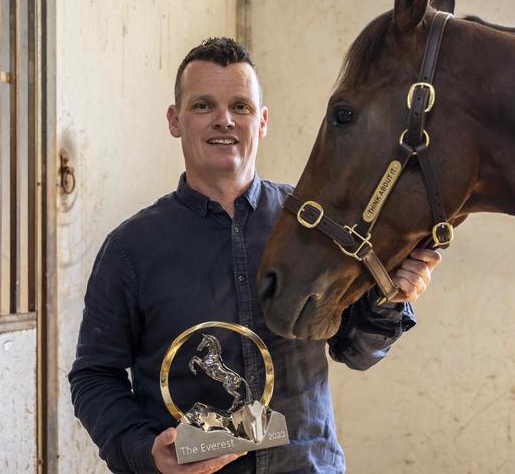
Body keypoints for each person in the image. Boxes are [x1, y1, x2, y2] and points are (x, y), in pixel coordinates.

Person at [69, 37, 442, 474]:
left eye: (240, 107)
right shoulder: (131, 250)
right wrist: (143, 452)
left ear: (262, 121)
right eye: (203, 106)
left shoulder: (316, 227)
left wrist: (390, 299)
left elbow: (357, 351)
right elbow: (94, 377)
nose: (223, 120)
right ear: (175, 120)